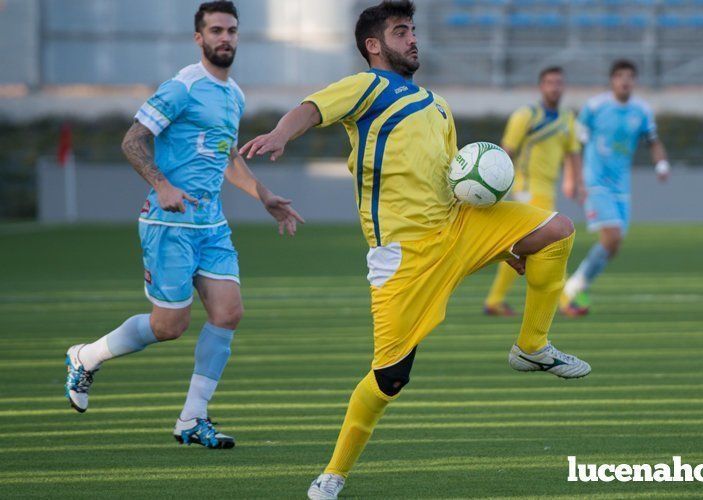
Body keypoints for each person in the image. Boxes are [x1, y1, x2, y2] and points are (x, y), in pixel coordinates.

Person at [242, 2, 590, 497]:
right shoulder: (368, 88)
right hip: (404, 256)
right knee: (389, 380)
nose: (412, 39)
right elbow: (312, 108)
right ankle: (333, 474)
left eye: (412, 30)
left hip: (459, 224)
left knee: (557, 229)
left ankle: (532, 348)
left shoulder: (438, 105)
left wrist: (499, 246)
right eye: (400, 31)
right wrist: (281, 132)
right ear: (373, 45)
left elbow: (459, 183)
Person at [63, 0, 303, 449]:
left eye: (231, 30)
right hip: (169, 223)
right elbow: (133, 141)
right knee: (169, 326)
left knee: (228, 312)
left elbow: (226, 158)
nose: (225, 38)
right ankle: (86, 356)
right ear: (199, 38)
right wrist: (163, 184)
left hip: (211, 225)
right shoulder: (182, 87)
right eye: (216, 30)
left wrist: (264, 195)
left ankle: (192, 420)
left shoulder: (234, 95)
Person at [560, 59, 670, 315]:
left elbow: (653, 141)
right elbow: (572, 143)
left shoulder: (641, 110)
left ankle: (577, 285)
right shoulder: (595, 107)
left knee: (614, 246)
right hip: (595, 182)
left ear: (635, 81)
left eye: (630, 75)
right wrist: (572, 178)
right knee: (612, 236)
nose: (625, 80)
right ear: (612, 80)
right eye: (620, 75)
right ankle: (573, 287)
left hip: (621, 187)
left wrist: (662, 164)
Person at [483, 66, 584, 317]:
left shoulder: (567, 118)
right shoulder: (526, 116)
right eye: (549, 82)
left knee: (519, 247)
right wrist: (497, 187)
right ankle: (566, 300)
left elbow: (572, 152)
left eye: (559, 82)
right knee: (555, 242)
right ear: (541, 86)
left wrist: (573, 181)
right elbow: (506, 152)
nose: (554, 87)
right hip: (526, 190)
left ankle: (495, 300)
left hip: (547, 190)